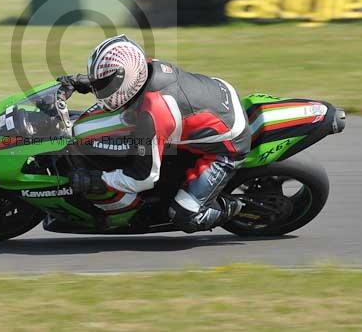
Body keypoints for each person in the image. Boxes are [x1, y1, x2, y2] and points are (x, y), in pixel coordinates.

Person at [58, 35, 251, 233]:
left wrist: (100, 179)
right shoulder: (145, 68)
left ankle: (238, 207)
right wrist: (88, 83)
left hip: (229, 144)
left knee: (186, 215)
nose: (99, 89)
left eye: (102, 84)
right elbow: (120, 79)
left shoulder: (152, 115)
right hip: (216, 98)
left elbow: (144, 177)